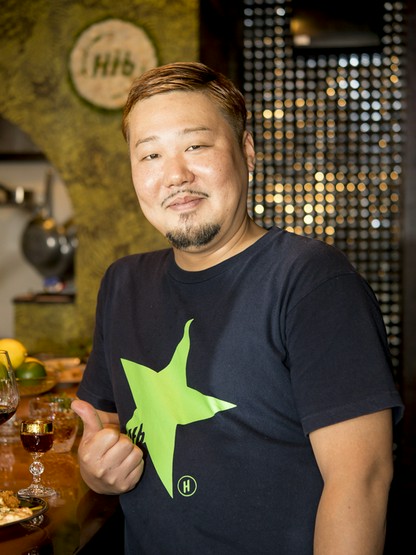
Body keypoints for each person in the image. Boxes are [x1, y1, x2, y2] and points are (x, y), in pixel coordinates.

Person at [72, 61, 404, 555]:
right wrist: (96, 469)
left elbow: (362, 479)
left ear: (246, 152)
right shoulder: (123, 283)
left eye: (196, 146)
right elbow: (100, 428)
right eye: (151, 155)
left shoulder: (312, 281)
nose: (175, 175)